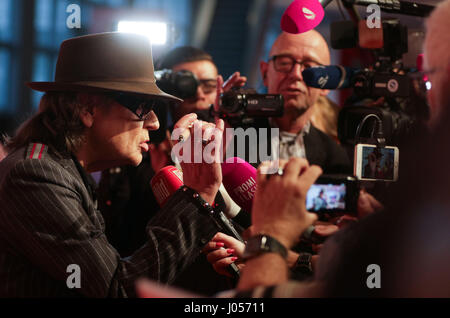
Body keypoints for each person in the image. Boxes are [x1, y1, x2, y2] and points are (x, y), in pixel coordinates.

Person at [221, 0, 450, 297]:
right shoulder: (230, 140)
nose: (297, 74)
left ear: (328, 81)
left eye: (310, 67)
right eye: (285, 62)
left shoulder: (340, 156)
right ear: (265, 71)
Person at [0, 32, 226, 297]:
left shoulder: (58, 168)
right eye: (143, 106)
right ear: (87, 108)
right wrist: (196, 196)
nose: (154, 123)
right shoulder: (35, 175)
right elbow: (117, 289)